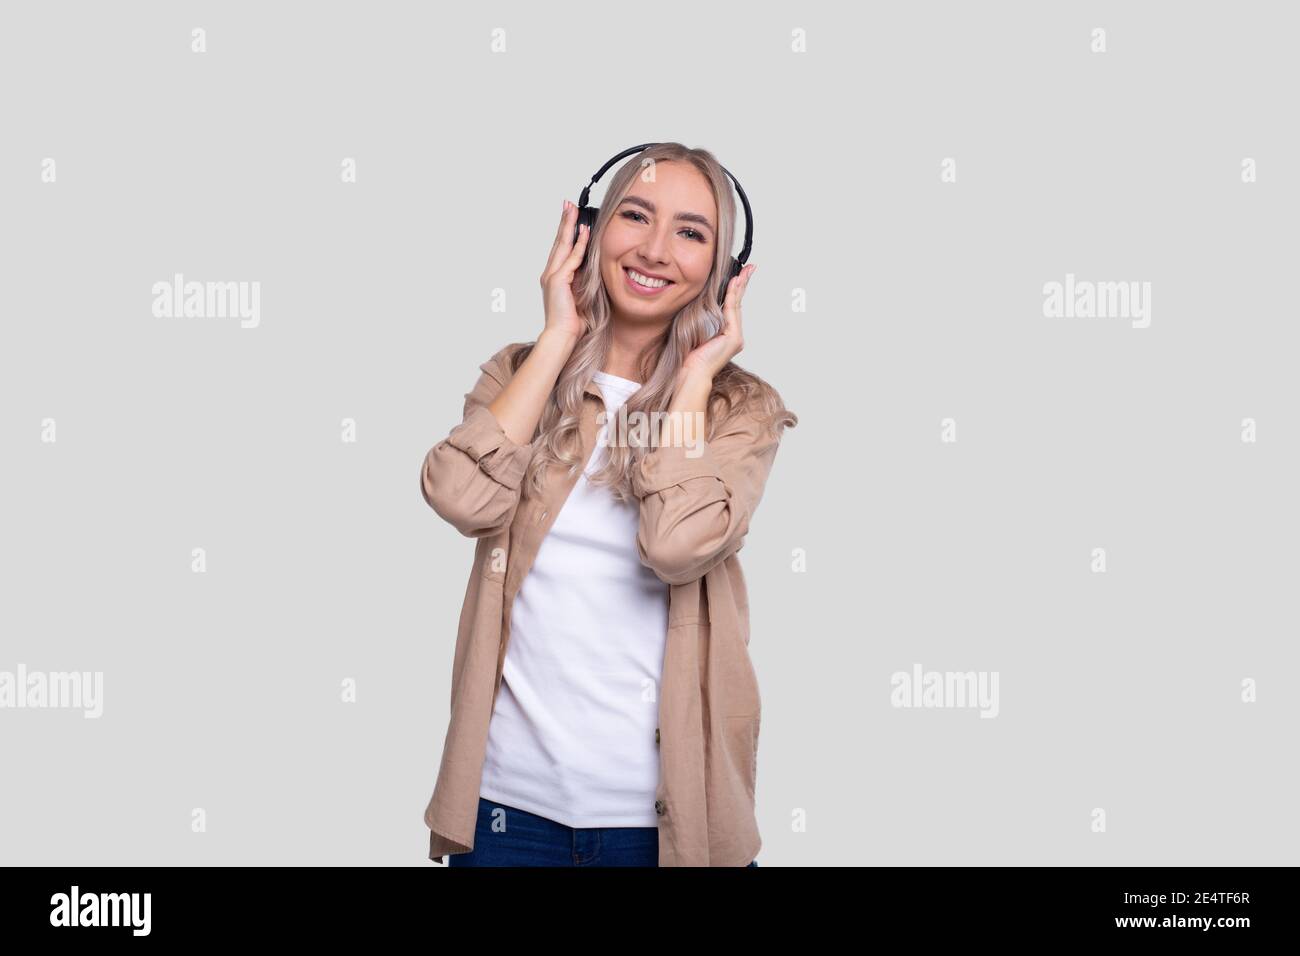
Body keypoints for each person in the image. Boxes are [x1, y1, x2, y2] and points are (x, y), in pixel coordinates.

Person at [420, 142, 796, 866]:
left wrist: (693, 377)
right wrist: (559, 336)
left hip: (666, 823)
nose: (655, 250)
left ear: (722, 271)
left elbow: (676, 545)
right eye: (635, 216)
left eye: (691, 233)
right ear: (590, 230)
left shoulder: (739, 409)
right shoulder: (518, 375)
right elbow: (459, 496)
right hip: (506, 812)